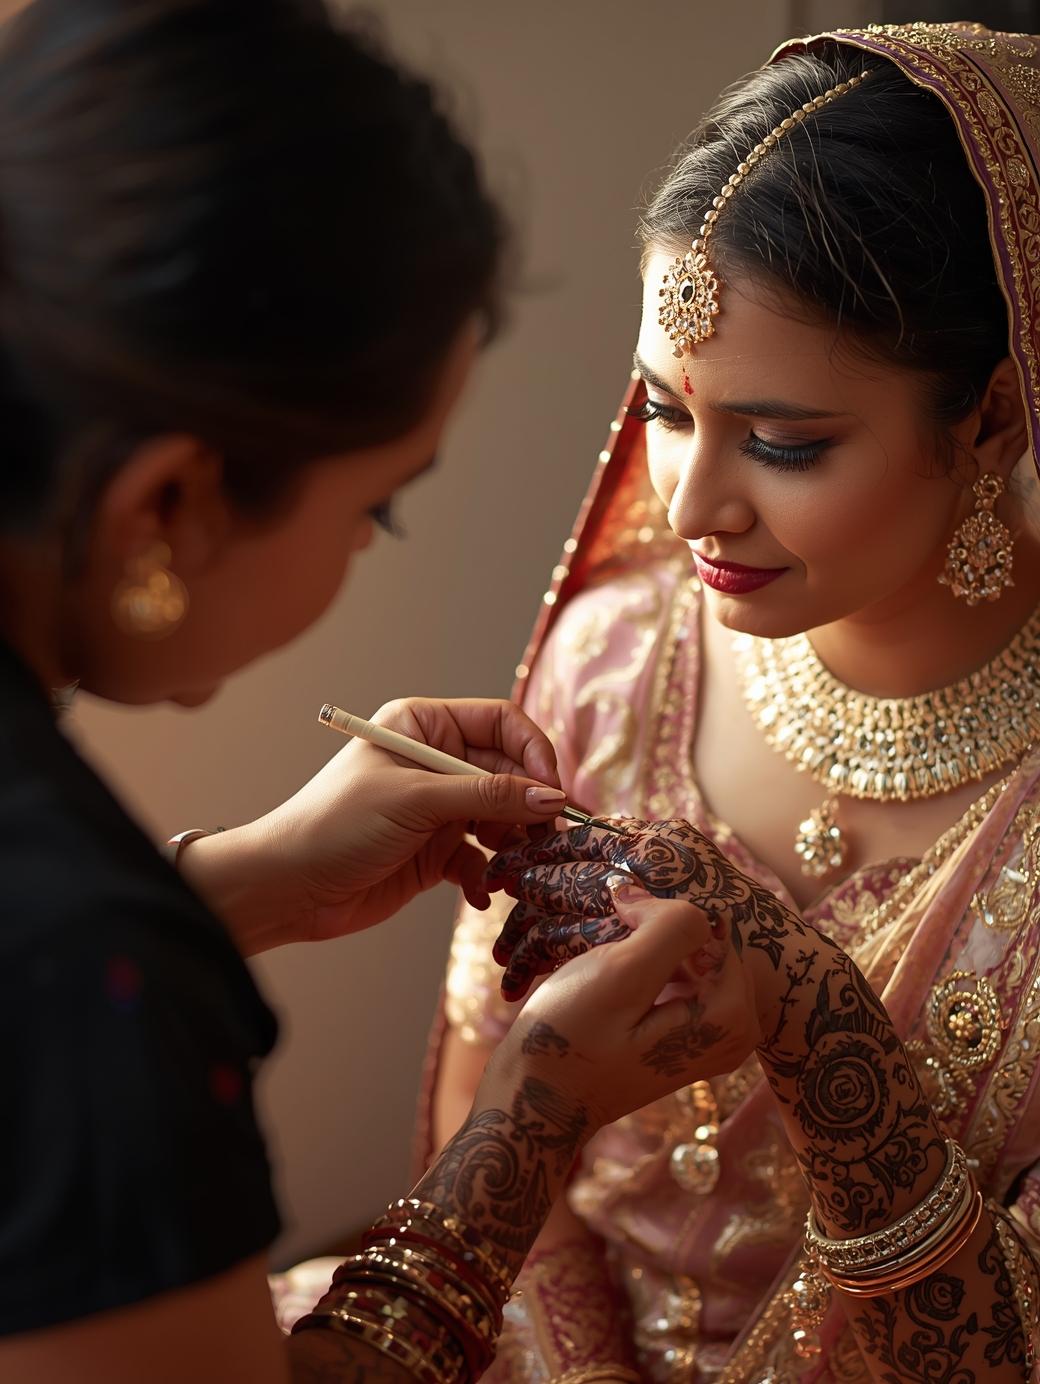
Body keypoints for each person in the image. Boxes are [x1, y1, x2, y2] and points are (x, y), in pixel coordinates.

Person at [0, 2, 764, 1380]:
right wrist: (530, 1117)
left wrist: (236, 888)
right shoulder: (76, 969)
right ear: (165, 505)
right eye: (382, 510)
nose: (701, 499)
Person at [428, 21, 1040, 1383]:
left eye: (783, 441)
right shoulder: (612, 660)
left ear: (992, 421)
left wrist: (823, 1035)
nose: (689, 505)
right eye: (662, 409)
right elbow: (484, 1123)